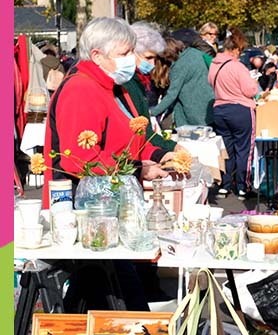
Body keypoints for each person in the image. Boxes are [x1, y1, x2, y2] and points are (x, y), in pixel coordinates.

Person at [43, 17, 172, 204]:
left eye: (131, 52)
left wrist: (161, 155)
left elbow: (132, 140)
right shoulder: (80, 89)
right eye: (124, 53)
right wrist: (137, 169)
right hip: (83, 203)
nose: (131, 59)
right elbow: (79, 159)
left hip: (113, 196)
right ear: (97, 56)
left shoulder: (115, 85)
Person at [209, 27, 263, 199]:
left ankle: (225, 185)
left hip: (219, 109)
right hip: (240, 110)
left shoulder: (214, 65)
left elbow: (212, 83)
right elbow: (249, 90)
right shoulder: (237, 66)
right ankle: (242, 186)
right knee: (244, 150)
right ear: (235, 50)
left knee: (226, 150)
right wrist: (254, 83)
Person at [124, 21, 178, 153]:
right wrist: (170, 147)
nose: (153, 64)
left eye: (154, 59)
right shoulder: (128, 83)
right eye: (148, 57)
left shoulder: (138, 81)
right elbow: (141, 130)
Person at [149, 34, 216, 127]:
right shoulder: (195, 52)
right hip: (209, 104)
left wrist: (152, 112)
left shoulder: (179, 67)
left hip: (194, 112)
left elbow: (172, 95)